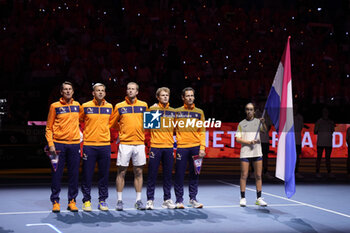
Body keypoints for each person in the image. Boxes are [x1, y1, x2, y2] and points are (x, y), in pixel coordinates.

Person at [110, 82, 148, 210]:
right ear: (126, 91)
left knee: (139, 172)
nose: (131, 91)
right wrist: (122, 131)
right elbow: (113, 123)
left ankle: (138, 201)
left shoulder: (143, 105)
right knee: (121, 172)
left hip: (139, 143)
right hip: (125, 143)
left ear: (137, 92)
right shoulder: (119, 106)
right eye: (129, 89)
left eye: (133, 89)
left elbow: (147, 122)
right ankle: (119, 201)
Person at [45, 81, 81, 212]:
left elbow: (82, 120)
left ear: (73, 91)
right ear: (61, 92)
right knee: (56, 174)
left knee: (74, 175)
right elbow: (48, 128)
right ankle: (55, 201)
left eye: (70, 89)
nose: (67, 91)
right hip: (58, 145)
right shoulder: (54, 106)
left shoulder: (78, 106)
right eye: (65, 89)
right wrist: (51, 144)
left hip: (74, 145)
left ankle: (72, 201)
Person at [80, 83, 113, 211]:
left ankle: (102, 200)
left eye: (102, 91)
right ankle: (86, 201)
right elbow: (78, 120)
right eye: (98, 90)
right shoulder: (86, 106)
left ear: (105, 93)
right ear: (93, 93)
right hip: (89, 145)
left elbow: (112, 123)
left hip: (105, 145)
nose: (100, 92)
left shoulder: (110, 107)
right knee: (87, 175)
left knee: (104, 175)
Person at [174, 87, 206, 209]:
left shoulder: (199, 112)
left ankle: (193, 199)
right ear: (183, 98)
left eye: (192, 95)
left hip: (196, 148)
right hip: (182, 148)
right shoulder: (176, 112)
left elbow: (202, 131)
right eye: (187, 96)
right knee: (179, 174)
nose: (190, 98)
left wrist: (202, 147)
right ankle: (179, 200)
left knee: (195, 174)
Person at [146, 87, 176, 210]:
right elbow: (148, 126)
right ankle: (150, 200)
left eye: (166, 95)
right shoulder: (152, 109)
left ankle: (167, 200)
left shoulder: (173, 111)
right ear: (158, 97)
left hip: (169, 147)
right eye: (162, 95)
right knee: (152, 175)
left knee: (168, 175)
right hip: (155, 146)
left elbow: (175, 129)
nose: (165, 97)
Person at [235, 103, 267, 207]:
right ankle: (243, 198)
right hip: (245, 152)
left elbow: (265, 131)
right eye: (247, 109)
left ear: (254, 111)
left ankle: (259, 198)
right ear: (245, 111)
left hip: (257, 152)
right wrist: (249, 143)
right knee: (244, 175)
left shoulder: (258, 122)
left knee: (258, 175)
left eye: (251, 109)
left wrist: (264, 123)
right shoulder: (241, 124)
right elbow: (237, 138)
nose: (249, 111)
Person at [314, 107, 335, 178]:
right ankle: (317, 172)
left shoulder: (331, 122)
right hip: (320, 142)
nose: (325, 113)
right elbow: (315, 131)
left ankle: (329, 172)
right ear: (322, 113)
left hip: (328, 142)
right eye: (324, 112)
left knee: (328, 158)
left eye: (326, 112)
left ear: (328, 113)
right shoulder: (319, 121)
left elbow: (332, 131)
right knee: (319, 157)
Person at [294, 105, 305, 178]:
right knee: (289, 157)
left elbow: (301, 127)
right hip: (290, 141)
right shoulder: (288, 116)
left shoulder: (300, 117)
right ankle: (288, 173)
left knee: (297, 157)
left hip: (297, 140)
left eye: (296, 107)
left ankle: (296, 172)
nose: (295, 108)